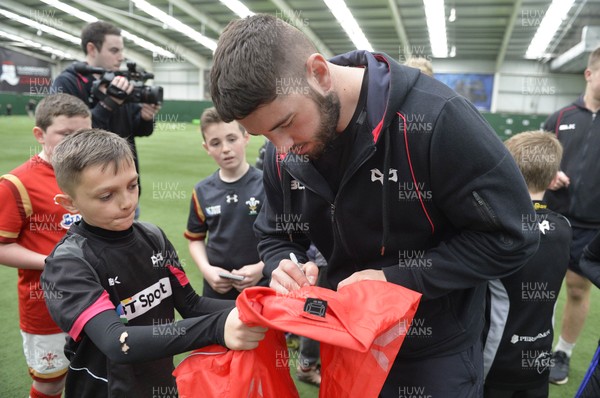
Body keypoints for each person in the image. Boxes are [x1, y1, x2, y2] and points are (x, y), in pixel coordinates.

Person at [210, 14, 539, 397]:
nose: (281, 148)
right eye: (264, 135)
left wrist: (394, 280)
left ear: (318, 72)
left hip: (431, 353)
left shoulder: (437, 119)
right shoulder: (283, 152)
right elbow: (274, 232)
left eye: (285, 124)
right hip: (344, 344)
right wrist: (282, 263)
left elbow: (514, 235)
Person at [40, 129, 266, 397]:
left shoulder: (153, 236)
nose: (126, 203)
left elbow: (191, 305)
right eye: (106, 196)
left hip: (162, 384)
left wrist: (262, 307)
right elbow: (117, 342)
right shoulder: (68, 264)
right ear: (70, 203)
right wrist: (217, 327)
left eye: (132, 185)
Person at [0, 93, 92, 398]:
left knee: (96, 373)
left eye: (84, 134)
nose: (77, 143)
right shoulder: (16, 183)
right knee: (51, 382)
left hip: (96, 296)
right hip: (46, 305)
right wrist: (52, 261)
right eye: (66, 134)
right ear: (39, 134)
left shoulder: (93, 173)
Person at [482, 131, 571, 397]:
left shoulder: (494, 229)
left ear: (507, 170)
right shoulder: (564, 228)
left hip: (493, 363)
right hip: (539, 363)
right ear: (554, 178)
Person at [51, 20, 160, 218]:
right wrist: (109, 103)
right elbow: (70, 139)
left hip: (125, 186)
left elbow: (140, 130)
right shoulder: (68, 82)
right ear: (92, 49)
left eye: (121, 50)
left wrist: (146, 117)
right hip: (92, 193)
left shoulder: (121, 80)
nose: (121, 56)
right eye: (114, 50)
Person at [543, 46, 600, 385]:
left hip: (593, 226)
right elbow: (539, 158)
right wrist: (550, 173)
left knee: (578, 289)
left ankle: (562, 352)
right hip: (553, 218)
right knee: (542, 287)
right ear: (589, 73)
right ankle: (534, 345)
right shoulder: (561, 117)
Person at [184, 107, 266, 300]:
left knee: (260, 331)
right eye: (215, 143)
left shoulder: (267, 185)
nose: (225, 149)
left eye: (232, 139)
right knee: (219, 331)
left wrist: (261, 269)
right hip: (217, 290)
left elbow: (285, 238)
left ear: (246, 137)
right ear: (207, 148)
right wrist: (207, 270)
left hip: (261, 286)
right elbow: (195, 238)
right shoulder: (202, 190)